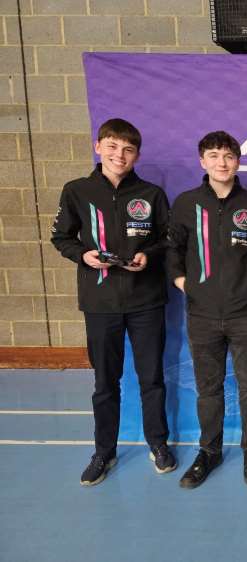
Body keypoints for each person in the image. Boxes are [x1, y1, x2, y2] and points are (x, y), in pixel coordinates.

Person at [51, 118, 175, 485]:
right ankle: (103, 452)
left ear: (136, 154)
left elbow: (167, 239)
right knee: (106, 382)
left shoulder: (151, 194)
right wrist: (82, 255)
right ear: (98, 146)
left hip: (146, 300)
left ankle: (159, 445)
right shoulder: (76, 190)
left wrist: (147, 257)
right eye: (113, 146)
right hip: (100, 301)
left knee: (152, 379)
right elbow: (61, 237)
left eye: (128, 149)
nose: (119, 155)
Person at [166, 131, 247, 489]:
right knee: (208, 389)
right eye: (213, 156)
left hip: (246, 314)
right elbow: (171, 251)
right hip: (202, 315)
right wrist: (184, 284)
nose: (221, 163)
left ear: (238, 161)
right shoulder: (185, 204)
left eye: (228, 156)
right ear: (202, 161)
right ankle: (209, 451)